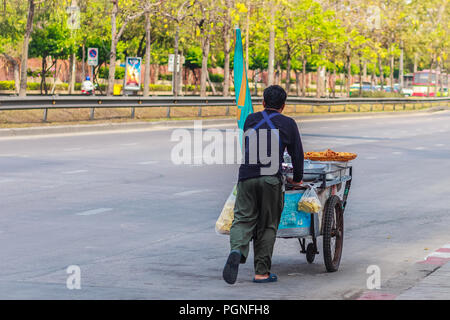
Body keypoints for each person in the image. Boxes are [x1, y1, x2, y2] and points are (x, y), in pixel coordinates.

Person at [223, 85, 304, 284]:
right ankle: (261, 272)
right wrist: (297, 178)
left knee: (242, 219)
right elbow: (297, 155)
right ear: (284, 106)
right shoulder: (288, 124)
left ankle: (237, 250)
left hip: (247, 176)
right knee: (267, 225)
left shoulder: (250, 120)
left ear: (263, 102)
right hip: (270, 179)